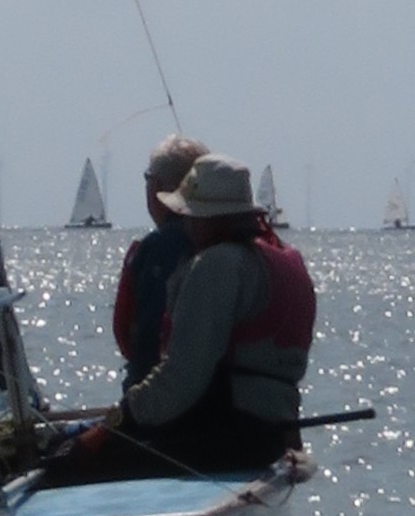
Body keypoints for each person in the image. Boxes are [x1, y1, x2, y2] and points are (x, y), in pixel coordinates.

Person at [42, 154, 314, 484]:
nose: (184, 222)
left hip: (226, 435)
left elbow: (182, 378)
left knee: (64, 457)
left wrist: (110, 427)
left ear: (206, 217)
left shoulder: (215, 266)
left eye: (188, 213)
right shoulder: (282, 259)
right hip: (270, 434)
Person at [112, 136, 213, 384]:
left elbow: (150, 339)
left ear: (156, 186)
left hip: (161, 398)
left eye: (147, 179)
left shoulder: (159, 248)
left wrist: (136, 408)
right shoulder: (221, 242)